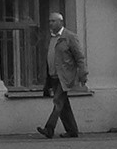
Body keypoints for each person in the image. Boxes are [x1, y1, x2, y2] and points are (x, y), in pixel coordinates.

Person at [37, 11, 86, 139]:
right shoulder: (52, 38)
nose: (50, 23)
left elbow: (80, 57)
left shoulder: (69, 37)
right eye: (49, 21)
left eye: (53, 21)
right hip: (53, 75)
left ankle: (49, 128)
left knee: (58, 101)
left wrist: (83, 74)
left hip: (65, 76)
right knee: (64, 105)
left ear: (61, 22)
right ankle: (72, 130)